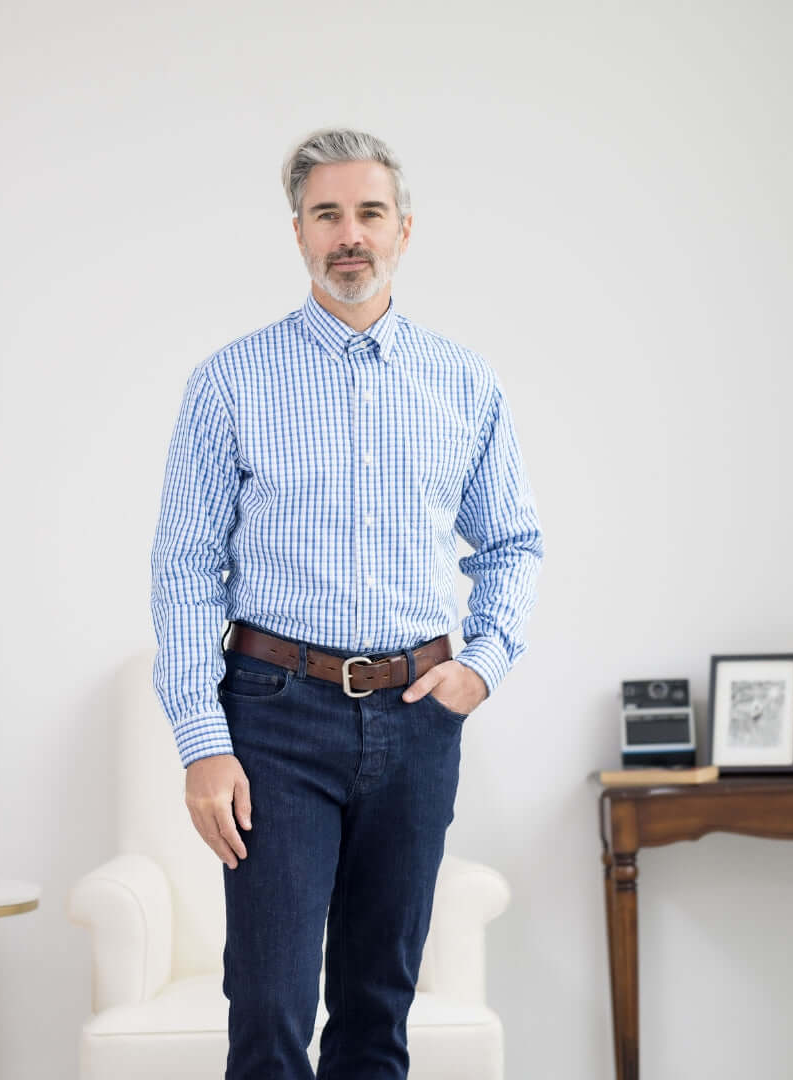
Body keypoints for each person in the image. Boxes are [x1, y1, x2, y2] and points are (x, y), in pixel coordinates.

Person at [150, 127, 543, 1080]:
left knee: (377, 1010)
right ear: (299, 234)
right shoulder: (232, 382)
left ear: (405, 230)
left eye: (369, 213)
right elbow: (183, 569)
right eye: (328, 214)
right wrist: (204, 742)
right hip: (275, 721)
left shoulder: (464, 381)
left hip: (416, 722)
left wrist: (481, 668)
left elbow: (514, 543)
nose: (350, 234)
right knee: (274, 1006)